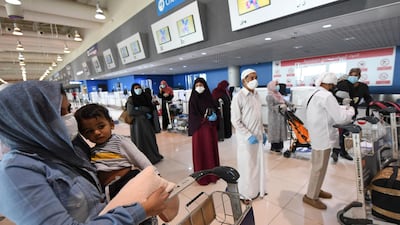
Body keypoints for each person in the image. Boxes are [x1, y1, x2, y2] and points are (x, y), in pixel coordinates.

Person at [0, 80, 170, 225]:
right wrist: (140, 211)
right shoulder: (16, 172)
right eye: (59, 113)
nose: (68, 119)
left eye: (68, 109)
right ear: (28, 120)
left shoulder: (64, 149)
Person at [74, 103, 179, 225]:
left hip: (126, 182)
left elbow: (139, 158)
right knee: (123, 215)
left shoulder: (119, 141)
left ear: (111, 124)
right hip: (110, 189)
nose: (97, 132)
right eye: (89, 131)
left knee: (139, 210)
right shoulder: (93, 151)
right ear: (84, 135)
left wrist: (155, 175)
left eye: (101, 126)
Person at [303, 72, 355, 210]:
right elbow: (340, 118)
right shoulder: (326, 96)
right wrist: (351, 111)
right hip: (323, 136)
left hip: (316, 134)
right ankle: (310, 196)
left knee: (318, 166)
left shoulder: (313, 93)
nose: (333, 87)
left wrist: (342, 108)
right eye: (333, 85)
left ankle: (316, 189)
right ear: (330, 84)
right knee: (319, 167)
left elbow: (327, 111)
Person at [231, 69, 268, 200]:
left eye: (255, 77)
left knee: (258, 163)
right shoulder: (238, 97)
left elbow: (259, 116)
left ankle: (258, 189)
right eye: (251, 78)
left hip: (258, 136)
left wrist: (263, 132)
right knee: (247, 166)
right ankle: (246, 194)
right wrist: (248, 135)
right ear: (243, 80)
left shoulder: (257, 94)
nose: (254, 80)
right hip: (246, 139)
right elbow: (235, 120)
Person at [331, 68, 373, 162]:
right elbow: (333, 96)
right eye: (352, 75)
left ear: (359, 76)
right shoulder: (343, 84)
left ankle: (341, 150)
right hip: (339, 112)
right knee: (337, 133)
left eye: (356, 75)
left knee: (345, 133)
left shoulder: (363, 87)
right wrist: (342, 100)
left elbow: (368, 98)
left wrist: (371, 103)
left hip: (351, 113)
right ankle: (336, 151)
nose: (353, 77)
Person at [188, 77, 220, 185]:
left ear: (205, 86)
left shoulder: (209, 98)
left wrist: (215, 116)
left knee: (210, 151)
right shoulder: (193, 99)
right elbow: (192, 116)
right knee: (201, 152)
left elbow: (215, 109)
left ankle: (213, 174)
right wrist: (204, 119)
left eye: (201, 85)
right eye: (197, 86)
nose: (199, 88)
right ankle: (203, 177)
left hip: (210, 129)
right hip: (199, 130)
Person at [127, 83, 163, 164]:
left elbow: (150, 108)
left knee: (150, 140)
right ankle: (142, 160)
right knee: (140, 140)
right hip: (137, 125)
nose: (138, 89)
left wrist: (139, 109)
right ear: (133, 90)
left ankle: (153, 157)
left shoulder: (145, 98)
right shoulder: (131, 99)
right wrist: (143, 109)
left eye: (139, 87)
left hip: (147, 123)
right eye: (136, 88)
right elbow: (130, 111)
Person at [266, 80, 289, 152]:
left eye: (278, 85)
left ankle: (280, 146)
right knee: (275, 132)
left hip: (281, 117)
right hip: (274, 117)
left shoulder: (279, 94)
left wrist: (291, 105)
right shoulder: (269, 96)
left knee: (280, 132)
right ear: (272, 86)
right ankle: (274, 147)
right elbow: (271, 107)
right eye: (276, 85)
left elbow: (285, 102)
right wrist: (280, 107)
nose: (277, 86)